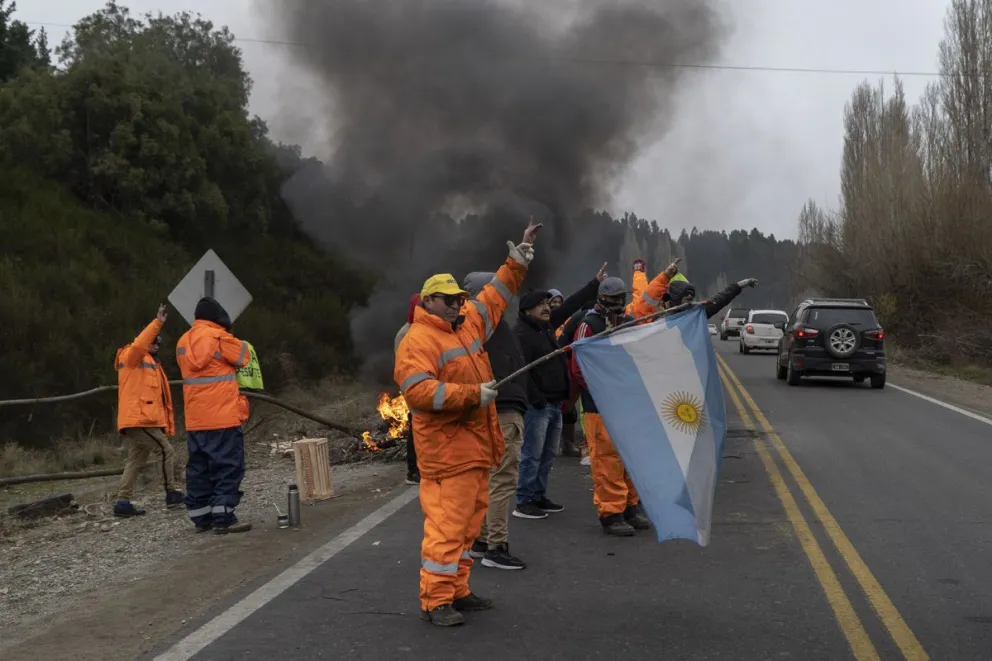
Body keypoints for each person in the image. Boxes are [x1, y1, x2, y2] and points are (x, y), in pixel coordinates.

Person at [394, 221, 539, 627]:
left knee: (466, 529)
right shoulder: (417, 341)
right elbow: (419, 392)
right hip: (447, 455)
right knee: (445, 530)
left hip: (474, 450)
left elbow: (493, 298)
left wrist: (517, 260)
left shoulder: (466, 324)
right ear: (429, 301)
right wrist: (472, 395)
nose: (459, 305)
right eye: (449, 300)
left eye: (460, 299)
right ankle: (436, 601)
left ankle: (457, 590)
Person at [513, 263, 606, 520]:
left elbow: (568, 306)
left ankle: (538, 495)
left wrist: (594, 283)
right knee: (532, 454)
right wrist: (537, 399)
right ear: (526, 310)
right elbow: (522, 372)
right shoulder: (522, 333)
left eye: (547, 303)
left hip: (555, 404)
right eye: (540, 305)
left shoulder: (544, 326)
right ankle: (524, 500)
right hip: (538, 406)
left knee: (547, 454)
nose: (547, 307)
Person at [570, 276, 653, 537]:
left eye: (621, 298)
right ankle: (610, 512)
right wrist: (603, 389)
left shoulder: (629, 323)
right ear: (602, 299)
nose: (618, 303)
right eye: (613, 299)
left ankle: (631, 506)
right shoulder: (588, 325)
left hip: (627, 404)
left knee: (630, 457)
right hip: (599, 405)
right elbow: (578, 367)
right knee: (607, 460)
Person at [462, 272, 530, 571]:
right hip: (502, 411)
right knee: (502, 479)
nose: (505, 297)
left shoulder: (487, 327)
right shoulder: (481, 327)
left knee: (490, 478)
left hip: (499, 408)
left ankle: (482, 538)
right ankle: (496, 547)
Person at [176, 297, 253, 535]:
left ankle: (201, 517)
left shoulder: (183, 341)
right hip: (222, 416)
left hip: (196, 420)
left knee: (199, 468)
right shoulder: (220, 338)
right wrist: (228, 331)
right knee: (227, 466)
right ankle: (224, 517)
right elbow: (244, 356)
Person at [113, 304, 183, 517]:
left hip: (144, 420)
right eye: (154, 340)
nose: (157, 344)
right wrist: (158, 322)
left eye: (159, 341)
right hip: (138, 420)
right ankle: (171, 494)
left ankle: (122, 502)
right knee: (165, 451)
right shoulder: (131, 355)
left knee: (136, 459)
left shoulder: (152, 363)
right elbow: (141, 342)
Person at [394, 294, 421, 485]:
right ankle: (413, 472)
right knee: (416, 428)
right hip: (413, 387)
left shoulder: (418, 330)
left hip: (420, 386)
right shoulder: (406, 334)